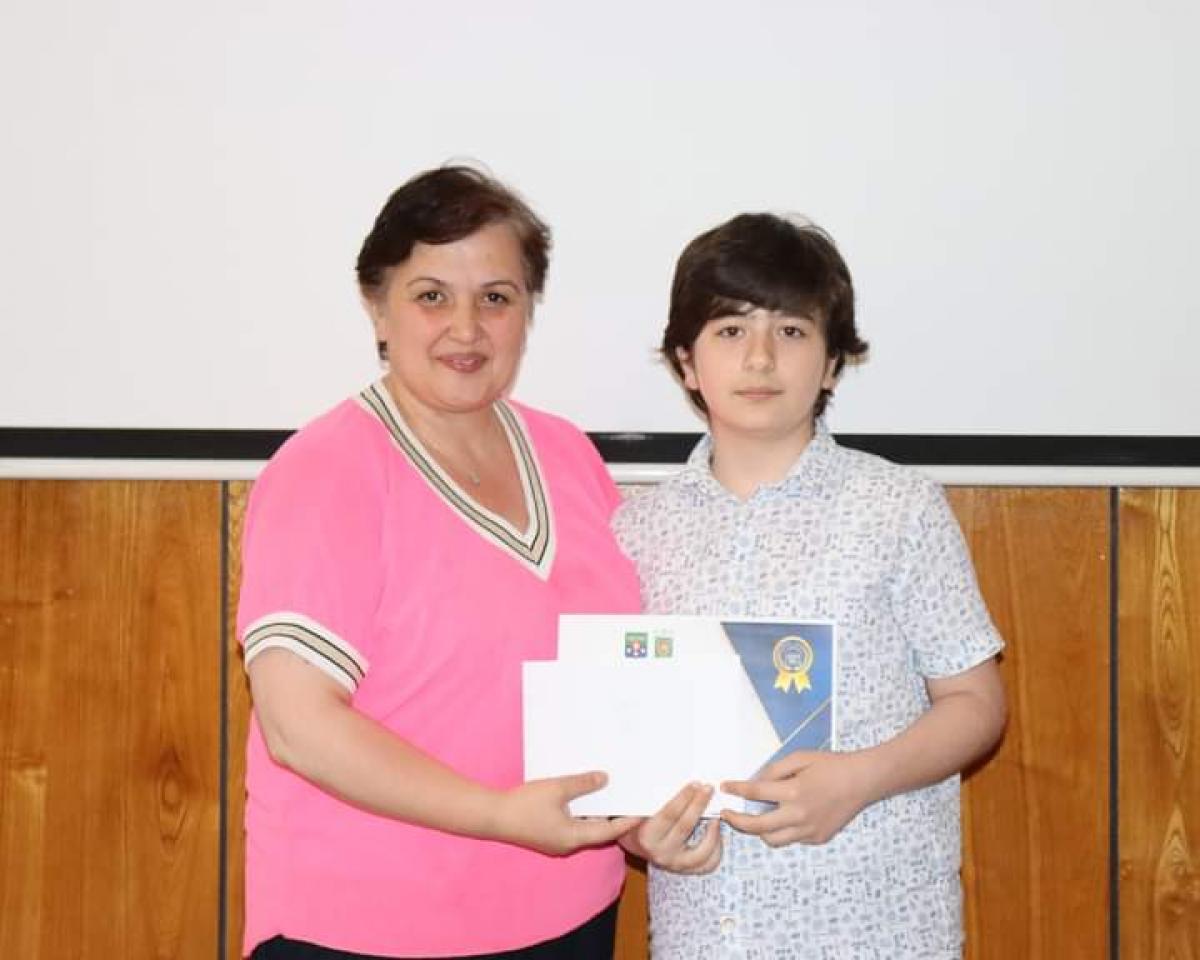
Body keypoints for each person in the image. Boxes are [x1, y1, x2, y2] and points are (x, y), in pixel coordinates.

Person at [236, 166, 641, 959]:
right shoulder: (325, 471)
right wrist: (497, 815)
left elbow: (622, 678)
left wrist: (651, 807)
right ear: (376, 305)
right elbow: (298, 726)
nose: (466, 327)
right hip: (366, 927)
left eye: (496, 297)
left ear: (528, 311)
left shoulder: (569, 456)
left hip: (570, 912)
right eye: (431, 296)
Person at [613, 213, 1007, 958]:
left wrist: (858, 780)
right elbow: (624, 735)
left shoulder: (899, 508)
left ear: (831, 364)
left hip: (879, 928)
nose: (760, 356)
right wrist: (641, 832)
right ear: (686, 362)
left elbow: (977, 705)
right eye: (731, 329)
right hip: (707, 933)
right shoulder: (636, 533)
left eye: (791, 331)